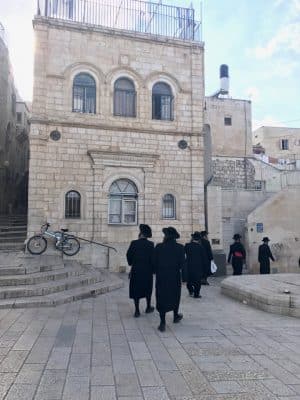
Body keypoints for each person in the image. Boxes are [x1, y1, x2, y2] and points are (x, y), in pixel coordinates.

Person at [153, 227, 185, 332]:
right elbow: (182, 264)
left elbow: (154, 263)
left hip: (162, 276)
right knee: (175, 295)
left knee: (162, 297)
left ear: (166, 237)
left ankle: (162, 322)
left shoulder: (159, 247)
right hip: (174, 276)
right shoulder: (180, 248)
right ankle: (175, 316)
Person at [126, 224, 155, 318]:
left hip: (136, 270)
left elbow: (128, 255)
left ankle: (137, 310)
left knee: (136, 290)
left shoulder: (134, 243)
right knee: (148, 289)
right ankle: (148, 307)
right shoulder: (151, 244)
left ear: (140, 234)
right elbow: (153, 258)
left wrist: (131, 263)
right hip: (147, 271)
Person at [185, 231, 209, 298]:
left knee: (189, 280)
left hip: (189, 266)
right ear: (199, 239)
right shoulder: (201, 247)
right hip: (198, 267)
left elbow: (184, 256)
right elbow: (204, 259)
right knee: (197, 282)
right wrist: (205, 268)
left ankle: (191, 291)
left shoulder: (187, 246)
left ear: (193, 238)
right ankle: (196, 294)